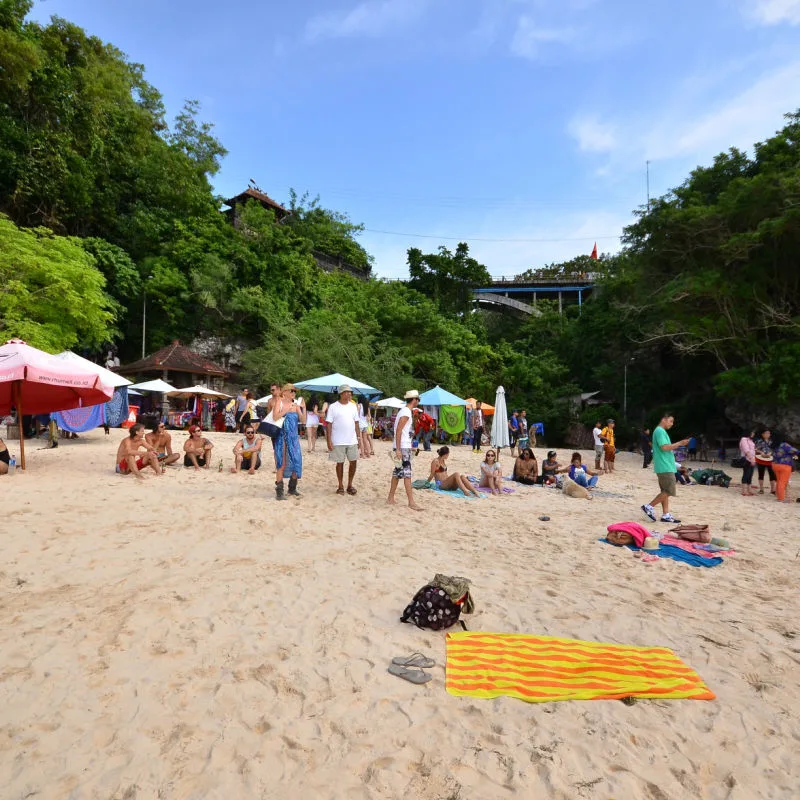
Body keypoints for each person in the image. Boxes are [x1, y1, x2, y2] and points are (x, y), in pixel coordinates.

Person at [642, 412, 690, 524]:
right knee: (669, 490)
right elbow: (664, 447)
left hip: (664, 465)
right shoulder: (659, 431)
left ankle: (666, 515)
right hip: (664, 466)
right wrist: (680, 443)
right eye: (670, 421)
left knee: (664, 491)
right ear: (664, 419)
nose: (672, 424)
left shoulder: (660, 431)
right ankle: (649, 507)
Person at [387, 390, 422, 510]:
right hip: (401, 446)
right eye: (418, 399)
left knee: (397, 472)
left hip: (403, 445)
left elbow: (401, 432)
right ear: (414, 400)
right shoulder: (406, 412)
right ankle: (411, 502)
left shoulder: (404, 411)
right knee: (407, 474)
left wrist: (407, 446)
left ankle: (390, 498)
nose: (418, 401)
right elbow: (398, 431)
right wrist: (398, 449)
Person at [326, 384, 361, 496]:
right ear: (341, 394)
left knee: (353, 462)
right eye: (347, 392)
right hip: (338, 440)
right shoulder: (333, 407)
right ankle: (340, 485)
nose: (349, 394)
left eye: (350, 392)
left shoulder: (353, 406)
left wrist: (359, 438)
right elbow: (329, 424)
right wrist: (329, 440)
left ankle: (350, 485)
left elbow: (356, 422)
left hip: (352, 440)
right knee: (339, 463)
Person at [272, 383, 305, 499]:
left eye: (295, 391)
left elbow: (303, 420)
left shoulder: (295, 405)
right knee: (282, 463)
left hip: (293, 437)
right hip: (281, 437)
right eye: (291, 391)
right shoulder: (279, 402)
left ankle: (292, 488)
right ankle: (279, 491)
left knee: (297, 461)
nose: (293, 393)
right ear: (285, 392)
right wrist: (285, 410)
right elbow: (275, 417)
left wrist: (303, 408)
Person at [754, 429, 777, 495]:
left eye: (769, 433)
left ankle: (772, 489)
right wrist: (761, 452)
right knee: (761, 473)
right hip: (761, 458)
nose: (768, 434)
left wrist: (770, 453)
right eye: (766, 433)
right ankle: (761, 489)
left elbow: (775, 449)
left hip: (770, 459)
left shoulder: (772, 441)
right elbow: (755, 449)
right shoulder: (759, 441)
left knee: (772, 474)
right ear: (762, 434)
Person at [739, 428, 757, 496]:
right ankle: (744, 490)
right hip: (747, 459)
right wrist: (751, 459)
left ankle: (749, 489)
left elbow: (752, 449)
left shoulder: (750, 440)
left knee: (750, 474)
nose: (753, 434)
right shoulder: (744, 439)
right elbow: (746, 450)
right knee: (746, 474)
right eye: (752, 432)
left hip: (752, 459)